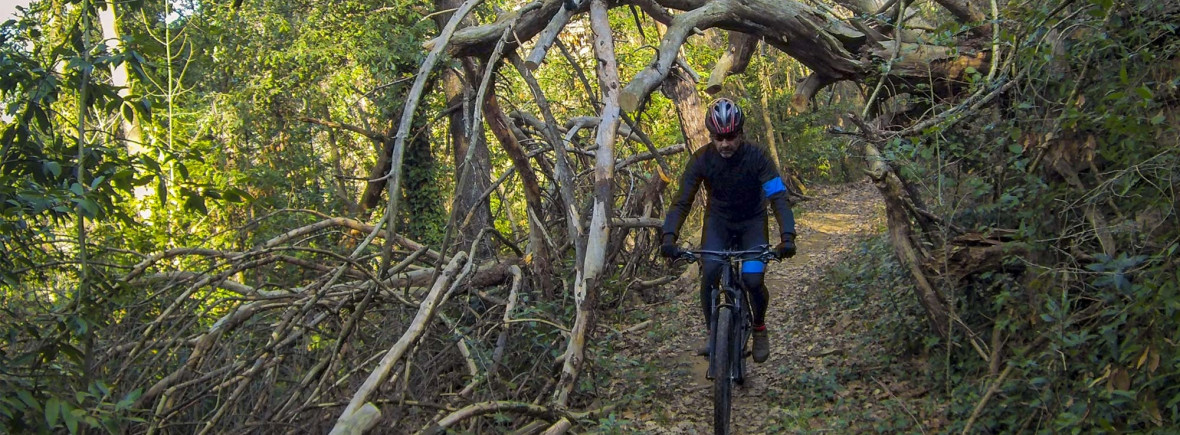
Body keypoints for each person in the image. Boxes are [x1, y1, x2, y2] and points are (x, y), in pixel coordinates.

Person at [660, 98, 797, 363]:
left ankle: (758, 327)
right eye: (718, 137)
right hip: (719, 222)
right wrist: (669, 236)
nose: (725, 144)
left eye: (731, 137)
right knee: (709, 272)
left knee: (753, 279)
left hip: (752, 222)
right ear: (711, 136)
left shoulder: (757, 157)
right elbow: (682, 200)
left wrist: (787, 236)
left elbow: (778, 196)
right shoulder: (701, 159)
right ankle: (714, 334)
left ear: (741, 133)